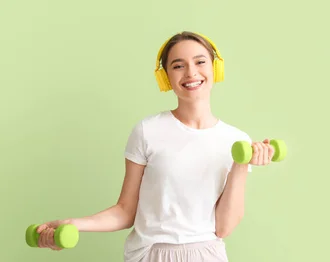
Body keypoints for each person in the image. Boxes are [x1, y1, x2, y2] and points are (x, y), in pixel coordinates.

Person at [34, 31, 275, 262]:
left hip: (207, 254)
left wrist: (240, 165)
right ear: (166, 77)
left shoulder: (236, 139)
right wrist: (73, 223)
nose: (191, 72)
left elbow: (223, 227)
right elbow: (125, 211)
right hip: (150, 254)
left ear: (215, 68)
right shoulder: (147, 130)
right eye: (178, 65)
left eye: (200, 62)